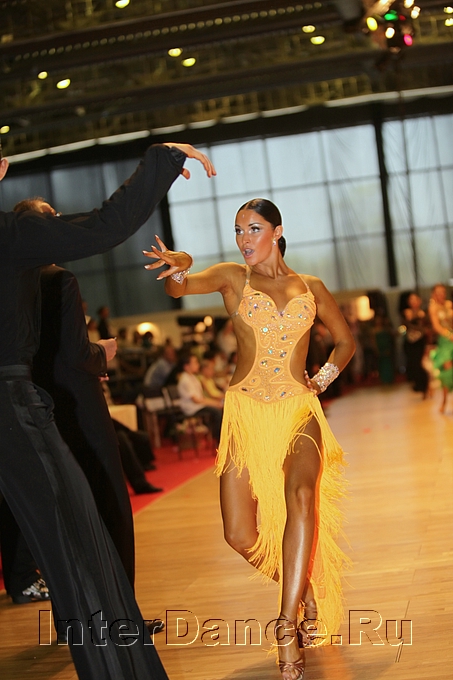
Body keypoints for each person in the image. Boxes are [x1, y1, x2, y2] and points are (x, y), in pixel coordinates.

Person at [0, 143, 215, 680]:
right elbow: (105, 225)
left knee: (71, 536)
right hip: (11, 406)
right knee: (79, 538)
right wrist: (163, 160)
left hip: (19, 402)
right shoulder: (14, 234)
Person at [144, 197, 355, 680]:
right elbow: (179, 288)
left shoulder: (312, 287)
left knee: (301, 496)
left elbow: (345, 341)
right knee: (239, 535)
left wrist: (321, 380)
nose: (244, 239)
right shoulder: (232, 278)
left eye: (253, 229)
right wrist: (180, 267)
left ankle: (285, 626)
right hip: (244, 415)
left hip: (299, 412)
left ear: (277, 232)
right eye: (238, 230)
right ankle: (304, 590)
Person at [176, 353, 223, 443]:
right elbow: (196, 400)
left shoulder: (193, 377)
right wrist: (214, 403)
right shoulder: (185, 380)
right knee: (216, 412)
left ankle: (221, 438)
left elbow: (201, 398)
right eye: (195, 362)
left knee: (219, 408)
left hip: (198, 405)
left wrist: (215, 403)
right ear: (186, 366)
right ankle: (219, 440)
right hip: (192, 408)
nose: (197, 364)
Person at [428, 283, 453, 413]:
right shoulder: (433, 308)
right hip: (445, 342)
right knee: (447, 371)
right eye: (438, 292)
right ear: (434, 294)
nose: (441, 294)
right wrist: (449, 335)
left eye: (443, 292)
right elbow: (436, 326)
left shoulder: (449, 304)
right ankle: (444, 401)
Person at [401, 292, 429, 396]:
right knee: (412, 363)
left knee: (420, 363)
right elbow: (403, 326)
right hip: (409, 342)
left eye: (415, 299)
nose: (413, 302)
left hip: (420, 341)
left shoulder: (423, 313)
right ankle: (417, 384)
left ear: (419, 301)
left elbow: (425, 328)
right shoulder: (406, 313)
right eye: (411, 300)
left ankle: (424, 385)